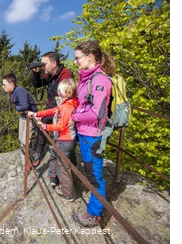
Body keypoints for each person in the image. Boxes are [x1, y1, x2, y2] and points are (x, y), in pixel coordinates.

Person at [70, 40, 115, 227]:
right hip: (85, 132)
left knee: (94, 175)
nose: (75, 62)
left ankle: (94, 214)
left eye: (77, 58)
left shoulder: (100, 80)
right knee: (90, 171)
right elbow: (85, 104)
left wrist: (74, 116)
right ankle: (95, 208)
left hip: (93, 135)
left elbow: (97, 113)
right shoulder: (87, 78)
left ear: (89, 57)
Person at [30, 51, 77, 186]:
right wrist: (36, 72)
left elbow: (62, 97)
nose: (43, 66)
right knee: (59, 142)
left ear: (54, 63)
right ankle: (54, 169)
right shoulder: (51, 75)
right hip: (56, 109)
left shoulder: (65, 75)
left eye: (44, 63)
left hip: (63, 111)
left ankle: (37, 154)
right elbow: (38, 84)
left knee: (46, 125)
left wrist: (43, 113)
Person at [28, 78, 79, 202]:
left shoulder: (67, 107)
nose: (58, 93)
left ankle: (67, 193)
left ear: (65, 92)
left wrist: (46, 126)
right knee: (55, 157)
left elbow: (61, 126)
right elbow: (53, 110)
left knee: (63, 166)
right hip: (63, 138)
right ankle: (54, 178)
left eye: (60, 91)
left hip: (65, 140)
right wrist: (38, 114)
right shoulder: (66, 104)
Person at [2, 73, 38, 173]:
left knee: (24, 141)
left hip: (30, 117)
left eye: (4, 84)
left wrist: (17, 109)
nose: (3, 86)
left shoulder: (19, 91)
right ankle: (28, 160)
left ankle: (28, 163)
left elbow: (24, 105)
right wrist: (19, 109)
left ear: (11, 84)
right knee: (20, 138)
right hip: (23, 117)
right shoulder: (12, 92)